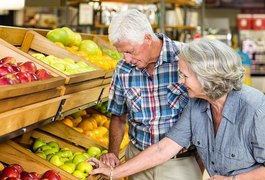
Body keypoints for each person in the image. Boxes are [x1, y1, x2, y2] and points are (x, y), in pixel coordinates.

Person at [88, 38, 265, 180]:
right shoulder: (196, 105)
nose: (179, 81)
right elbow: (163, 149)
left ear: (207, 76)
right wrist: (113, 173)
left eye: (184, 75)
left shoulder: (256, 108)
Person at [100, 9, 202, 180]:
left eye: (130, 51)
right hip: (137, 161)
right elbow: (118, 116)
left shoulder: (186, 58)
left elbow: (206, 113)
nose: (126, 59)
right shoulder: (122, 69)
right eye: (121, 53)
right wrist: (112, 153)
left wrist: (199, 163)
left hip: (179, 163)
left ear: (147, 38)